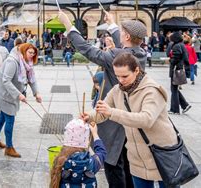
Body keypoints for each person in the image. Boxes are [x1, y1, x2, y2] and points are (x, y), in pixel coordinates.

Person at [58, 10, 146, 188]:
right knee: (128, 165)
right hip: (130, 120)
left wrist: (68, 25)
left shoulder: (118, 56)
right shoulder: (140, 53)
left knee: (112, 164)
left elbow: (87, 50)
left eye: (121, 31)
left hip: (113, 121)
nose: (119, 34)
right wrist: (113, 23)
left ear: (127, 36)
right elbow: (124, 46)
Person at [82, 53, 178, 188]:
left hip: (161, 154)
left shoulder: (151, 90)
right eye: (117, 76)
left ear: (137, 70)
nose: (120, 80)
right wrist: (89, 116)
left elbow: (146, 119)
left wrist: (112, 112)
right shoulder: (117, 90)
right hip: (137, 156)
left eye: (125, 76)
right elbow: (103, 111)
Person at [0, 43, 42, 158]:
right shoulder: (12, 61)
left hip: (11, 94)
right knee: (10, 119)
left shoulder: (27, 62)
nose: (31, 55)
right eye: (30, 52)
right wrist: (19, 95)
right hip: (5, 94)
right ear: (24, 51)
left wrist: (36, 93)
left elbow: (31, 79)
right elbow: (6, 81)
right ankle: (9, 147)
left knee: (3, 116)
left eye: (33, 53)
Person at [50, 119, 106, 188]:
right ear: (86, 142)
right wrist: (95, 134)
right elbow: (102, 152)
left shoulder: (60, 161)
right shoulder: (91, 163)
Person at [168, 31, 192, 114]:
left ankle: (174, 109)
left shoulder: (176, 46)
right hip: (179, 68)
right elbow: (185, 58)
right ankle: (185, 105)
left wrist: (170, 60)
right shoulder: (182, 45)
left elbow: (175, 58)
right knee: (174, 89)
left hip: (176, 69)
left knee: (173, 89)